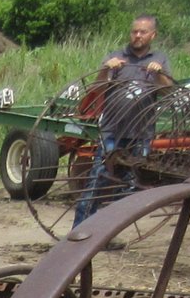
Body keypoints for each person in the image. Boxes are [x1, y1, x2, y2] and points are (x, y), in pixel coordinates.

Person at [72, 14, 174, 232]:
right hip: (112, 131)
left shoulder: (159, 59)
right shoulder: (116, 57)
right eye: (134, 31)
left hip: (140, 134)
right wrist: (105, 69)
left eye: (142, 32)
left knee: (129, 186)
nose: (137, 35)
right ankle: (79, 233)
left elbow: (168, 91)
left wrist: (159, 74)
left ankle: (105, 233)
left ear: (153, 35)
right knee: (96, 182)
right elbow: (97, 88)